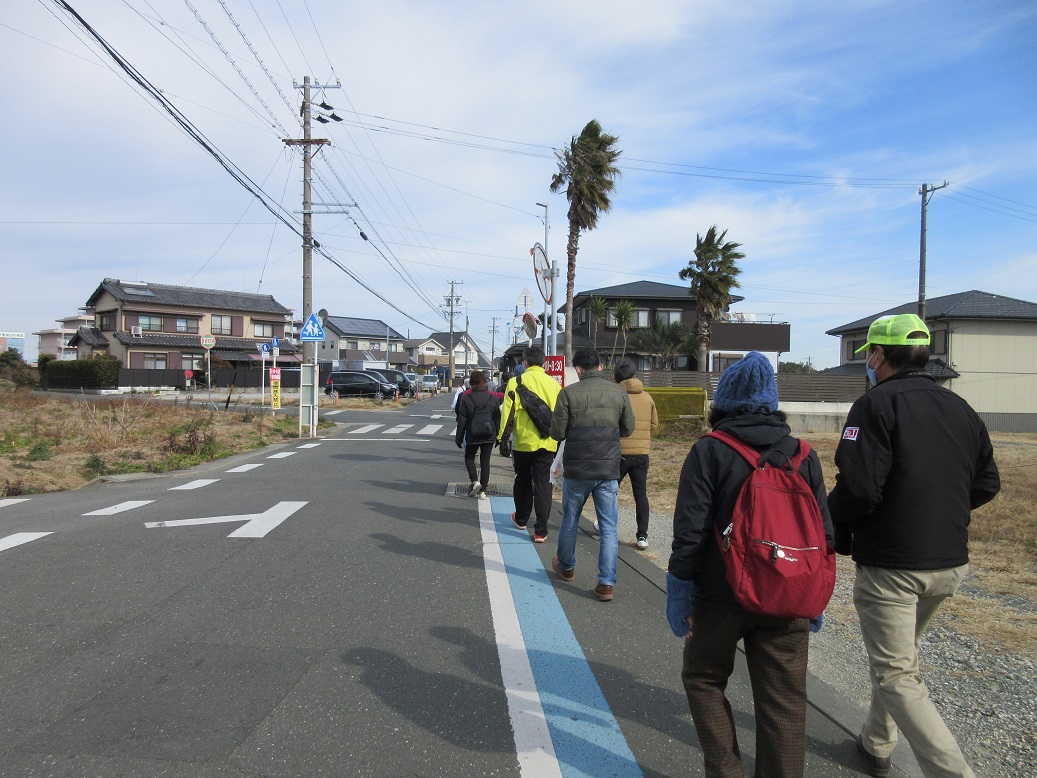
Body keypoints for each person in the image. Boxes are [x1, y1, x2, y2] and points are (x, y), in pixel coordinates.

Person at [827, 314, 1000, 778]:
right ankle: (877, 740)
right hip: (949, 563)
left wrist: (829, 515)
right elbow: (987, 482)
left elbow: (859, 490)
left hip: (892, 565)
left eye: (869, 354)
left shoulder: (875, 405)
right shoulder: (960, 407)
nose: (867, 362)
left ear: (880, 355)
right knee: (898, 657)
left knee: (898, 674)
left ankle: (952, 773)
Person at [666, 351, 832, 778]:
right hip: (789, 593)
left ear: (725, 399)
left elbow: (690, 532)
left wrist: (680, 590)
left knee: (704, 677)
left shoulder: (710, 451)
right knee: (786, 701)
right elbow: (823, 535)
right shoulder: (803, 454)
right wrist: (815, 601)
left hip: (721, 596)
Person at [550, 348, 634, 601]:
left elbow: (557, 433)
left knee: (570, 520)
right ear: (600, 366)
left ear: (578, 369)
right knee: (609, 527)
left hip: (577, 469)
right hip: (608, 468)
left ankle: (566, 567)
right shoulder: (619, 392)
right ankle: (606, 583)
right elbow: (628, 429)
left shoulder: (568, 393)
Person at [497, 347, 562, 542]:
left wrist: (503, 439)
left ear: (525, 363)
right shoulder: (554, 385)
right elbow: (560, 415)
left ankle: (522, 519)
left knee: (523, 481)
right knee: (544, 484)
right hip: (548, 443)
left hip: (524, 443)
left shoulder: (516, 382)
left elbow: (507, 415)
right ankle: (541, 531)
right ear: (543, 363)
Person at [613, 359, 660, 550]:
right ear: (634, 376)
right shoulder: (647, 397)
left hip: (619, 452)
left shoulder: (616, 396)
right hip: (641, 454)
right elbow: (655, 426)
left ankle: (606, 525)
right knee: (640, 495)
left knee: (609, 491)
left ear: (617, 378)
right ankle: (642, 536)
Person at [455, 370, 501, 500]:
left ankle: (475, 482)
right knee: (485, 461)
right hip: (489, 434)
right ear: (484, 382)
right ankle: (483, 491)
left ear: (471, 383)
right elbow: (497, 419)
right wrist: (498, 436)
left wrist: (459, 438)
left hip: (472, 434)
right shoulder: (493, 398)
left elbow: (462, 421)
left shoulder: (466, 398)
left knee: (469, 457)